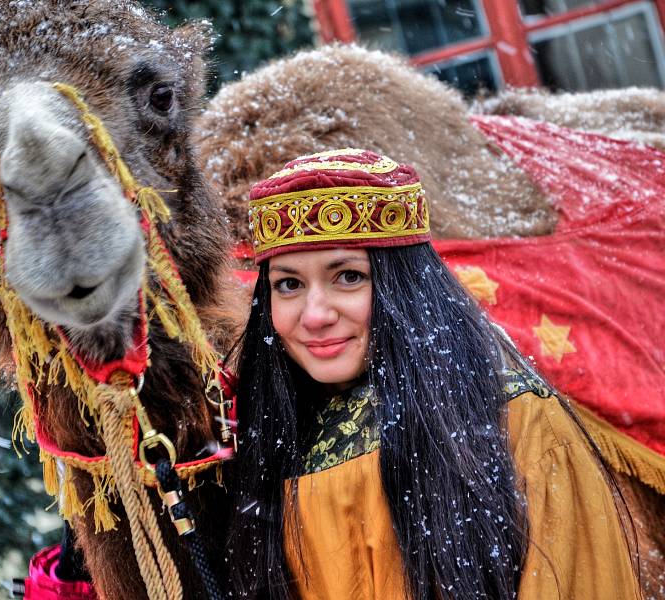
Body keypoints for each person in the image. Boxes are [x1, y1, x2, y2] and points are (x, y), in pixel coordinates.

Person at [225, 148, 639, 599]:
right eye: (289, 284)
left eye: (348, 276)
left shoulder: (514, 420)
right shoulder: (264, 438)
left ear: (407, 286)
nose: (316, 314)